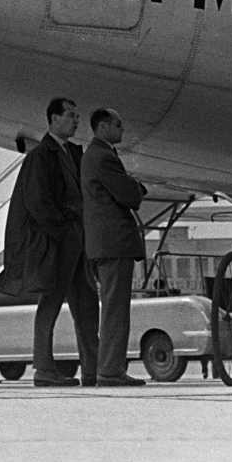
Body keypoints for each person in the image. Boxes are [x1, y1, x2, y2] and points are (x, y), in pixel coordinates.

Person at [0, 97, 98, 387]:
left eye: (77, 116)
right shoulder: (41, 155)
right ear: (53, 119)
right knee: (50, 301)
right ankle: (43, 369)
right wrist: (60, 229)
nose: (76, 121)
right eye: (71, 116)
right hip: (61, 237)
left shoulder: (70, 153)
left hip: (75, 235)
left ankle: (92, 369)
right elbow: (37, 201)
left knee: (86, 302)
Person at [81, 108, 147, 387]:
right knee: (115, 309)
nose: (122, 130)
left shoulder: (93, 156)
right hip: (114, 244)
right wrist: (138, 187)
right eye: (119, 125)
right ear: (104, 126)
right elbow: (129, 194)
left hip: (101, 244)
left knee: (112, 307)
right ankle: (110, 370)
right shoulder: (104, 157)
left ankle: (109, 368)